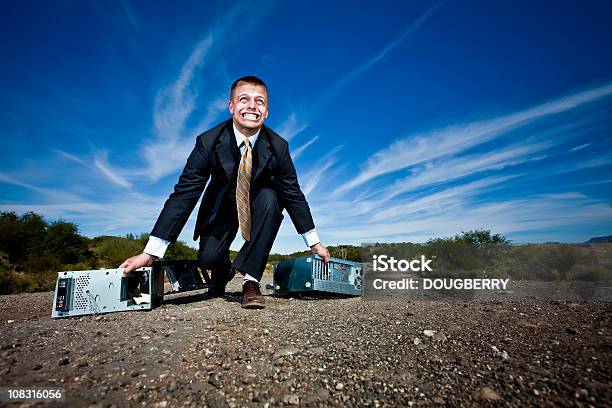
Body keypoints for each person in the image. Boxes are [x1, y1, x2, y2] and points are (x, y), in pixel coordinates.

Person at [120, 75, 329, 309]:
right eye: (244, 99)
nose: (252, 106)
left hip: (260, 205)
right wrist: (151, 253)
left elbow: (293, 193)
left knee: (272, 197)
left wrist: (314, 242)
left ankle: (250, 282)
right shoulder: (208, 142)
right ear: (231, 106)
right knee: (208, 259)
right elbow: (184, 194)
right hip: (221, 205)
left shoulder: (279, 147)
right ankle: (225, 270)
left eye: (259, 101)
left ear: (267, 111)